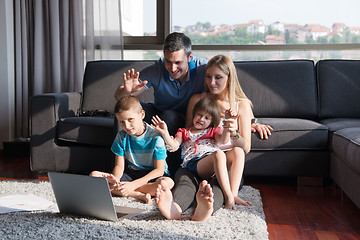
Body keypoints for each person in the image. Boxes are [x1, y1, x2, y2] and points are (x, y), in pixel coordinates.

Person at [152, 97, 250, 211]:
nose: (201, 119)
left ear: (212, 122)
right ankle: (228, 198)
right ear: (194, 114)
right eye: (199, 115)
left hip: (214, 161)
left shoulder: (213, 131)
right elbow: (174, 145)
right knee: (218, 154)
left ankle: (234, 194)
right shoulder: (184, 131)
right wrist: (165, 133)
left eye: (207, 118)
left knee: (238, 151)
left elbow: (223, 141)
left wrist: (228, 127)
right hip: (195, 163)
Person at [90, 95, 174, 203]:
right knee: (94, 175)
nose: (127, 126)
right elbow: (119, 166)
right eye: (122, 122)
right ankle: (138, 195)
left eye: (130, 120)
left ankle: (127, 190)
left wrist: (133, 185)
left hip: (152, 176)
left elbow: (159, 170)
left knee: (166, 183)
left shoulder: (156, 137)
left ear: (142, 114)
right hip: (133, 174)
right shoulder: (121, 136)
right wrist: (115, 179)